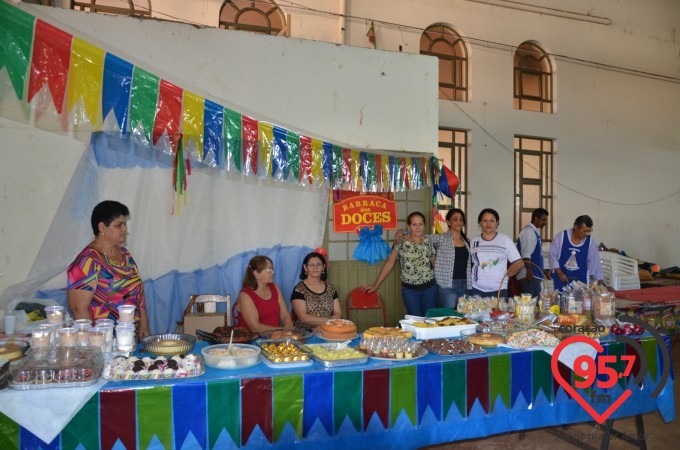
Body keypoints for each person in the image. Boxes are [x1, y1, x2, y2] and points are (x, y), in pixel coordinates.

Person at [67, 200, 150, 338]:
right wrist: (92, 347)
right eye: (119, 225)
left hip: (131, 336)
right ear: (102, 227)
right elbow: (78, 309)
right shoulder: (87, 262)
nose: (125, 229)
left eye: (125, 224)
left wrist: (144, 324)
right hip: (104, 341)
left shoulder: (125, 255)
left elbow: (138, 294)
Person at [363, 212, 437, 317]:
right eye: (414, 224)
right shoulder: (400, 242)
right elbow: (390, 263)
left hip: (430, 289)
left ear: (424, 225)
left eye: (420, 224)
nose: (418, 227)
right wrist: (376, 285)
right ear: (408, 226)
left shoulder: (428, 242)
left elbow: (434, 263)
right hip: (410, 291)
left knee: (429, 321)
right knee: (415, 322)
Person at [397, 208, 471, 309]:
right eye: (455, 219)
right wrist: (401, 231)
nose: (458, 222)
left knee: (463, 316)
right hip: (446, 285)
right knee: (447, 316)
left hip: (465, 284)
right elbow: (418, 234)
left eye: (461, 219)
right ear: (448, 222)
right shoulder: (440, 238)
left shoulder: (467, 241)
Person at [470, 208, 523, 299]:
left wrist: (506, 276)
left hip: (499, 290)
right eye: (484, 220)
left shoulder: (505, 240)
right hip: (476, 289)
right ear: (480, 223)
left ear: (497, 223)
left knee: (498, 313)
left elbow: (519, 263)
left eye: (492, 221)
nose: (488, 224)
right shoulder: (474, 241)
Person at [237, 255, 294, 332]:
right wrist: (281, 330)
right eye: (268, 270)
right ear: (256, 274)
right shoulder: (245, 295)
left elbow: (285, 315)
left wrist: (288, 329)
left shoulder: (274, 287)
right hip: (252, 340)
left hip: (275, 337)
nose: (273, 273)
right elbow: (255, 327)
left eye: (272, 269)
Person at [549, 215, 604, 291]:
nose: (587, 234)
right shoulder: (561, 237)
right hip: (561, 280)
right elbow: (553, 255)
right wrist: (559, 272)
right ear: (575, 227)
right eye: (584, 231)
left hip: (580, 282)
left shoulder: (590, 242)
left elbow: (595, 263)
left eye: (589, 231)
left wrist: (600, 282)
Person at [291, 251, 342, 331]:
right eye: (311, 265)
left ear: (323, 267)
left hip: (328, 330)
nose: (315, 268)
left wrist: (323, 326)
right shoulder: (299, 289)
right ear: (305, 267)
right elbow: (303, 318)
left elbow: (338, 313)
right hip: (305, 334)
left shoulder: (331, 288)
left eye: (318, 264)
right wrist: (328, 322)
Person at [516, 208, 549, 297]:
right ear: (535, 218)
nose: (545, 223)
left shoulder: (535, 231)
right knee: (531, 303)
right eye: (543, 220)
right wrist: (529, 271)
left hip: (535, 274)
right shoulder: (528, 231)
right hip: (530, 274)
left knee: (536, 303)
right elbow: (526, 253)